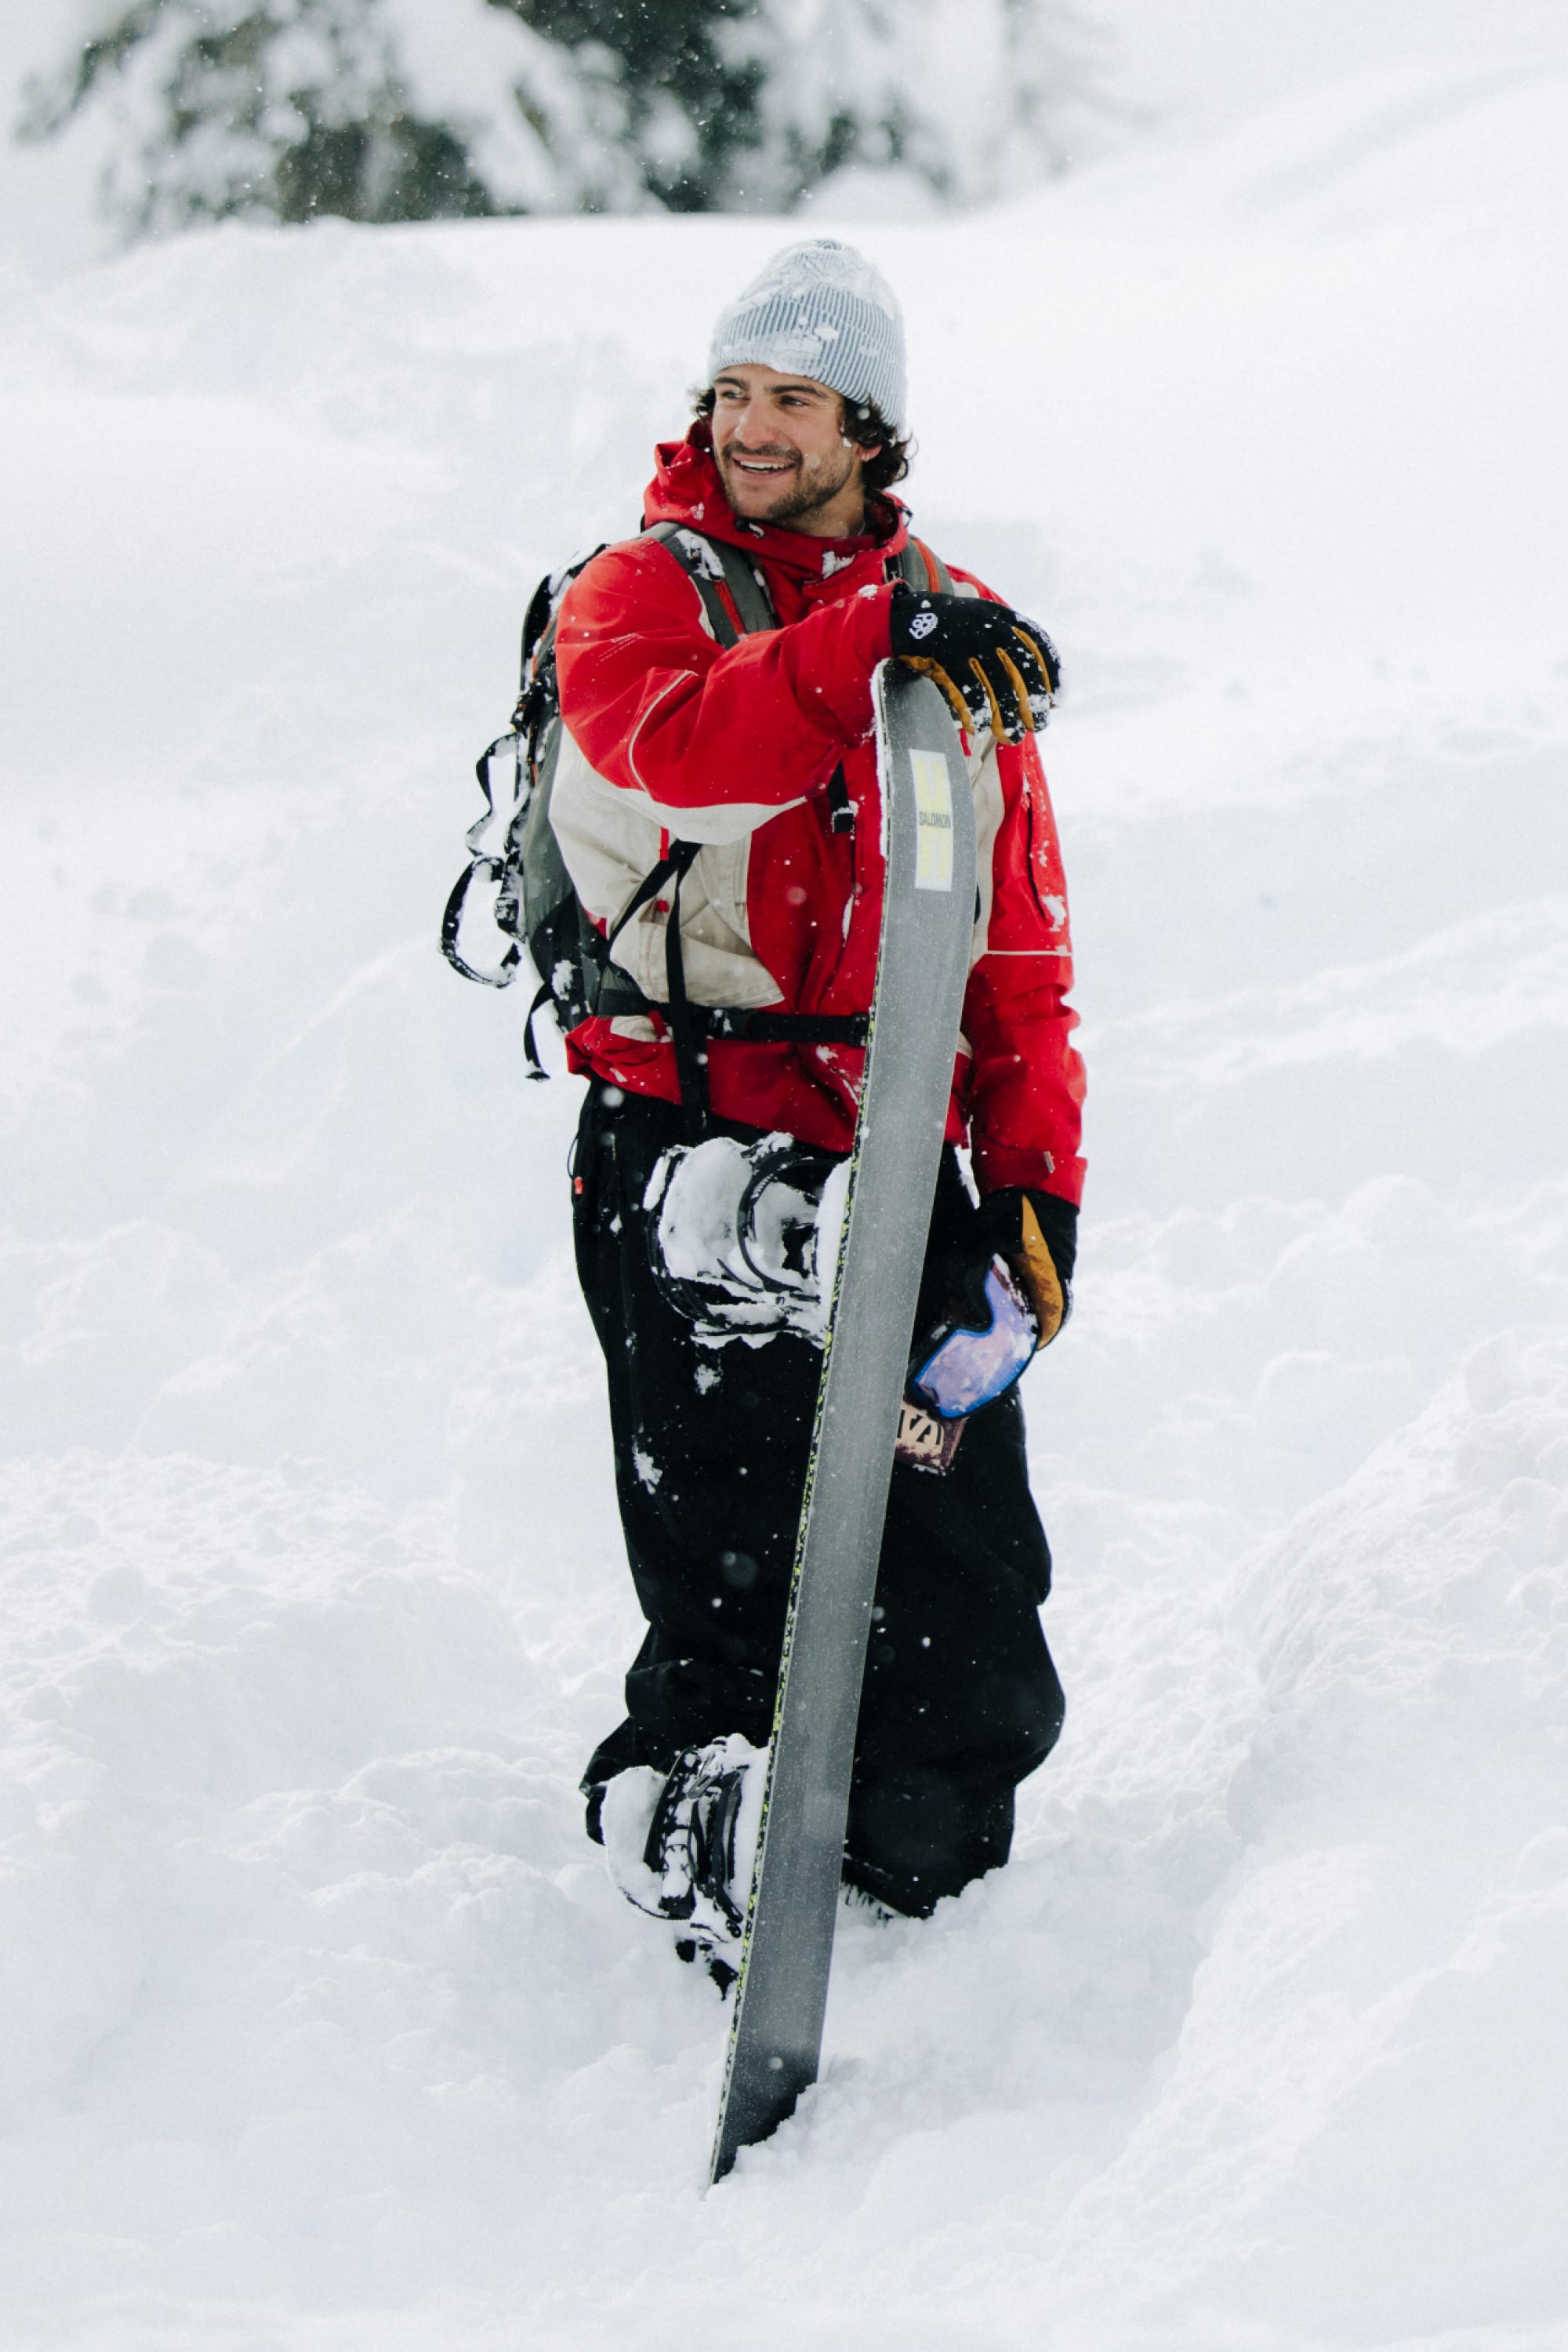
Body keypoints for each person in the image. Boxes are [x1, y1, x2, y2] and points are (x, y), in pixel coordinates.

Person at [549, 238, 1085, 1976]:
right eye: (733, 393)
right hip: (684, 1139)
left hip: (892, 1143)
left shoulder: (951, 623)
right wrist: (872, 634)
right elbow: (686, 763)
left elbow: (1011, 941)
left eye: (794, 398)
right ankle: (686, 1820)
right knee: (728, 1562)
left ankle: (910, 1899)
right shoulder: (637, 591)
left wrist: (1034, 1182)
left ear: (872, 426)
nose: (754, 427)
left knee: (956, 1564)